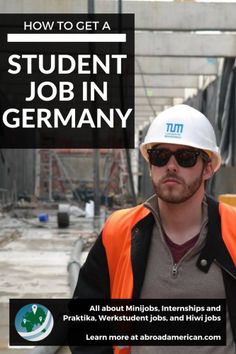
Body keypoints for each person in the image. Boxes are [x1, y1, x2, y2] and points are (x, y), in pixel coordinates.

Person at [71, 104, 236, 354]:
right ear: (150, 165)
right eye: (160, 156)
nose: (171, 166)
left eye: (186, 157)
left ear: (208, 168)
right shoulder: (120, 231)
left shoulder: (233, 230)